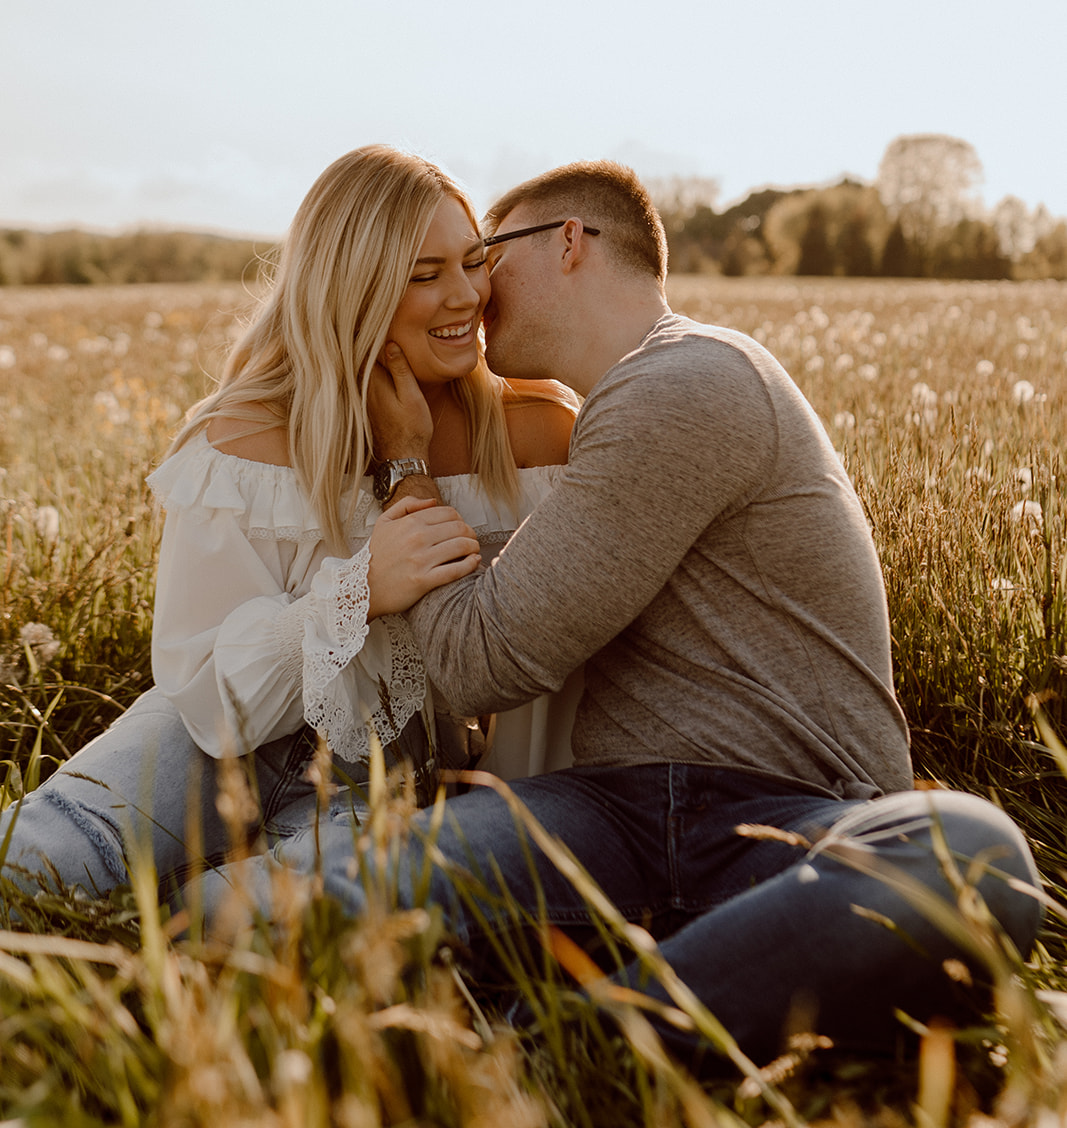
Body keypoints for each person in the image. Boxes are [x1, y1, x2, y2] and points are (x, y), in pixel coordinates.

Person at [295, 158, 1041, 1069]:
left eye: (489, 254)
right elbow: (512, 607)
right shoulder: (613, 415)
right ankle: (680, 1013)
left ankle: (567, 1055)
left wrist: (406, 462)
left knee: (969, 855)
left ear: (569, 241)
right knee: (331, 900)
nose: (477, 290)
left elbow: (480, 658)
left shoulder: (686, 381)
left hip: (791, 821)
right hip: (610, 818)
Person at [0, 146, 580, 904]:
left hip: (383, 780)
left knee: (239, 927)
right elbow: (203, 694)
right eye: (423, 275)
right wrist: (357, 592)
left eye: (473, 262)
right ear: (351, 289)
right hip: (206, 749)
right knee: (35, 857)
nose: (467, 295)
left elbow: (547, 666)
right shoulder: (242, 441)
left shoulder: (536, 432)